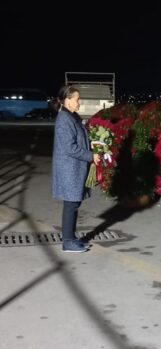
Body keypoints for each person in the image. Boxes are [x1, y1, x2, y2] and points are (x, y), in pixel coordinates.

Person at [52, 85, 101, 252]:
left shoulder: (72, 116)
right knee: (71, 204)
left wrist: (91, 145)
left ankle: (71, 238)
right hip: (69, 169)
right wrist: (90, 155)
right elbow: (69, 147)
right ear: (67, 100)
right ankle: (67, 242)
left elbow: (78, 140)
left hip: (74, 168)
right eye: (77, 99)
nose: (79, 102)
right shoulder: (64, 120)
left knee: (74, 204)